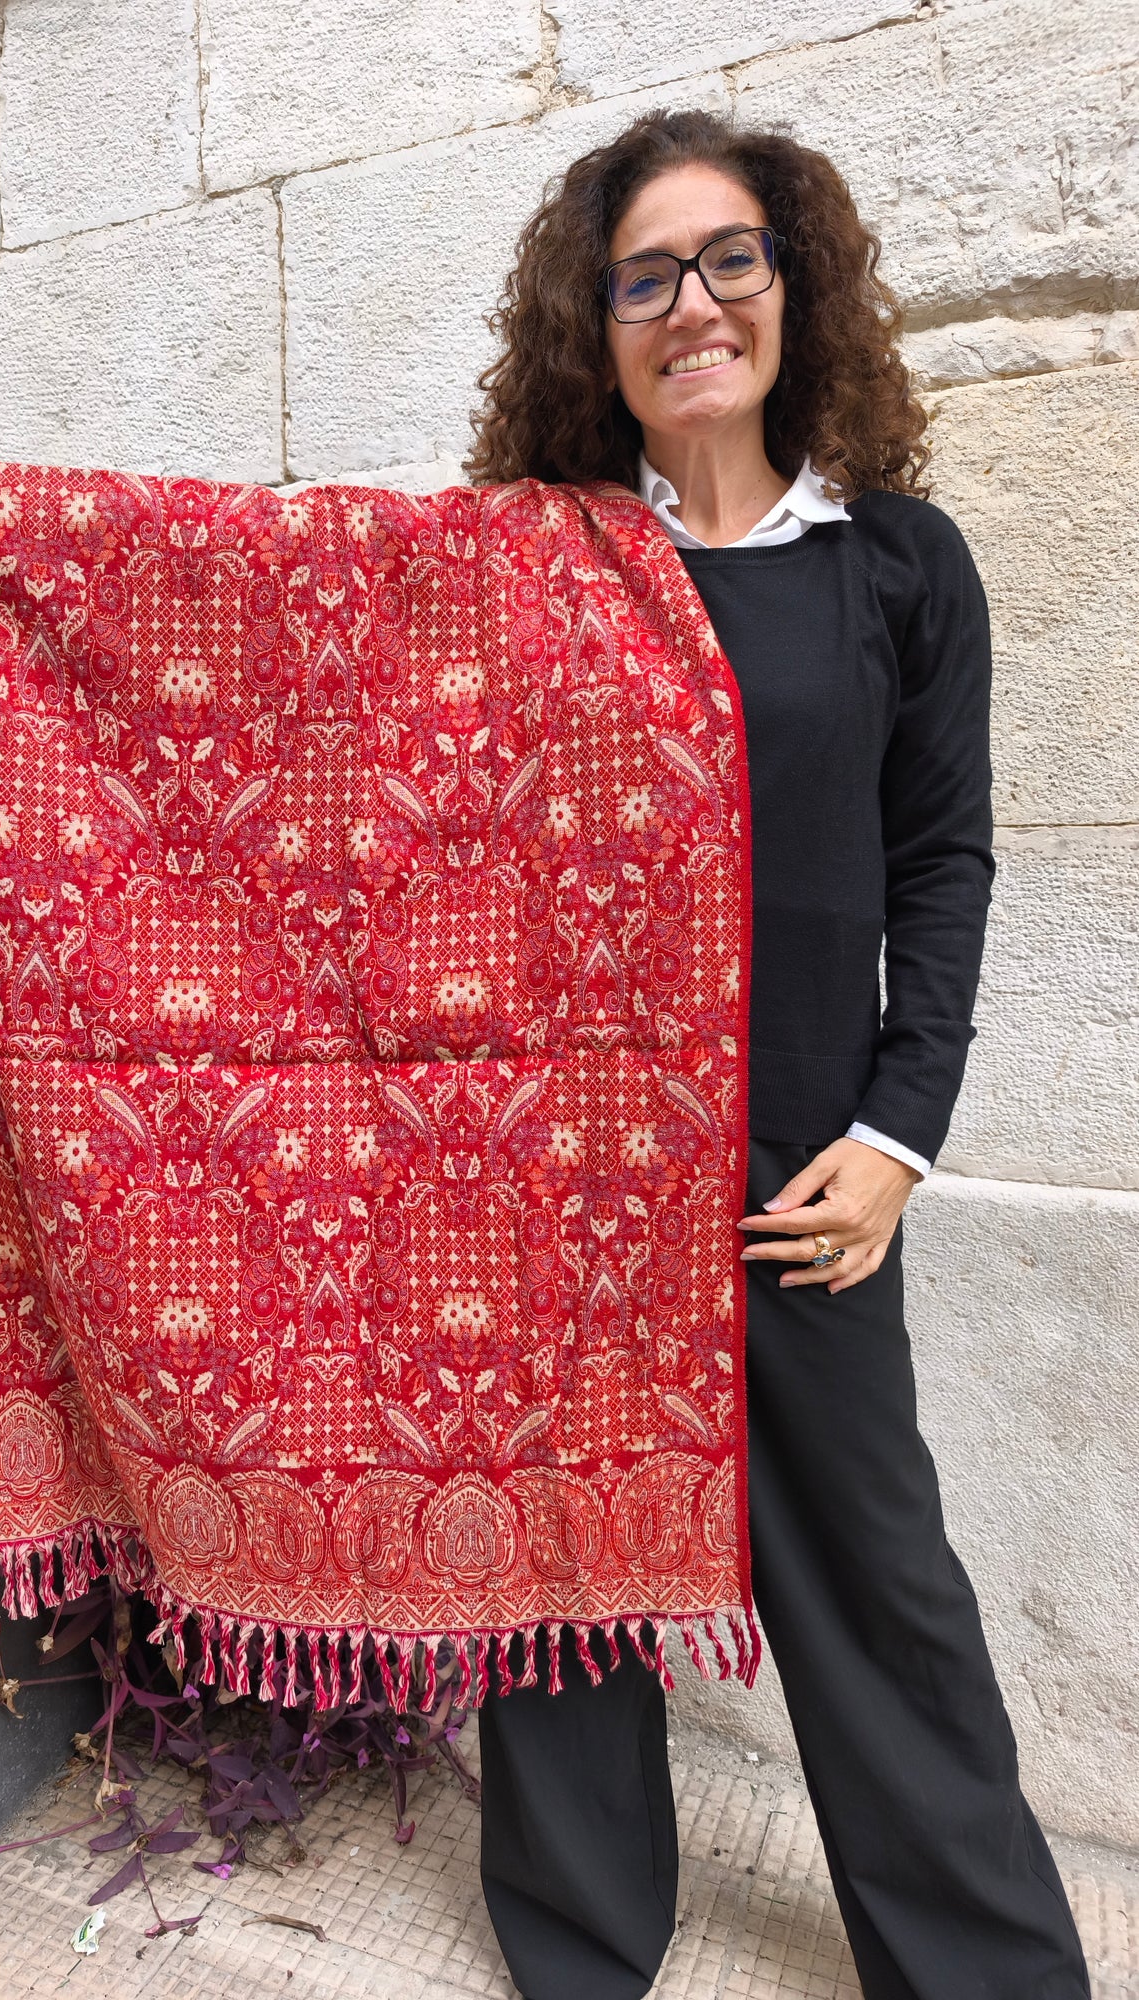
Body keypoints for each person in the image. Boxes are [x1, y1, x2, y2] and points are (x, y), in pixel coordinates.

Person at [461, 108, 1092, 2000]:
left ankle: (981, 1969)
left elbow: (942, 861)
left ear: (791, 284)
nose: (693, 306)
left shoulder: (898, 567)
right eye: (642, 277)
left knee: (880, 1581)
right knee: (566, 1575)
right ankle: (580, 1942)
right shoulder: (531, 574)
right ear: (595, 328)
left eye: (729, 259)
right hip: (569, 1162)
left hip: (802, 1166)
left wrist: (899, 1134)